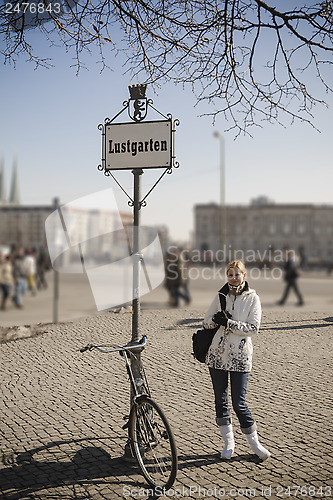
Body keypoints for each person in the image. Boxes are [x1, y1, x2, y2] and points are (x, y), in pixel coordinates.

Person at [203, 259, 271, 461]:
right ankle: (229, 443)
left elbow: (253, 329)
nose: (233, 278)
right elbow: (205, 322)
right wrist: (214, 320)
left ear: (244, 275)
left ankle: (255, 444)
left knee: (239, 402)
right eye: (230, 274)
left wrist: (229, 323)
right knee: (220, 400)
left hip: (240, 356)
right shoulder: (220, 295)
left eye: (237, 274)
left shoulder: (252, 298)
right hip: (217, 355)